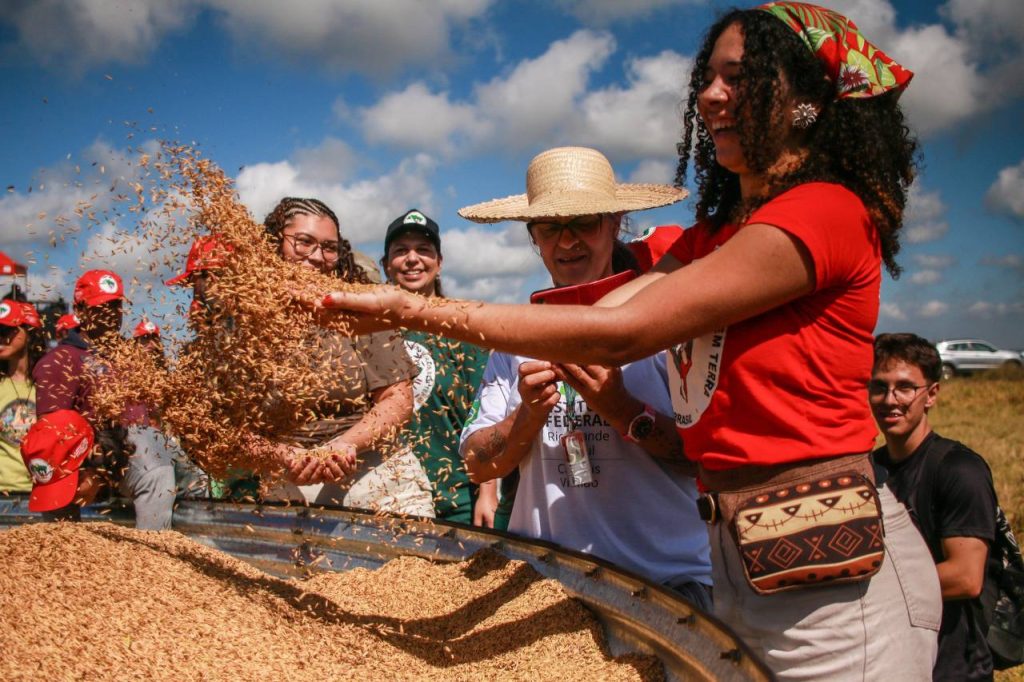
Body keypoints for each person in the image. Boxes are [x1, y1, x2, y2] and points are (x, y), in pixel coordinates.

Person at [318, 3, 942, 678]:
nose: (708, 94)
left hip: (833, 579)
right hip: (743, 558)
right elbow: (604, 312)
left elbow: (620, 331)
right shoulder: (716, 235)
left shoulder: (823, 210)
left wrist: (409, 311)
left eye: (740, 76)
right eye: (708, 77)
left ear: (805, 98)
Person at [454, 148, 713, 603]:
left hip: (666, 582)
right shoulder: (517, 339)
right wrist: (526, 419)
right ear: (534, 237)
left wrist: (625, 411)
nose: (567, 241)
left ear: (616, 223)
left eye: (584, 223)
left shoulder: (670, 323)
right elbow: (477, 464)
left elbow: (708, 460)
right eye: (551, 228)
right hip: (545, 579)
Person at [261, 197, 431, 516]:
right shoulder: (245, 320)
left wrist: (345, 445)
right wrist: (281, 455)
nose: (316, 257)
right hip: (280, 473)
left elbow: (397, 398)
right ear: (274, 243)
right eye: (303, 242)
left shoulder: (358, 310)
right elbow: (224, 427)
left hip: (368, 466)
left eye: (329, 247)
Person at [871, 333, 998, 681]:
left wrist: (867, 592)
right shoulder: (869, 469)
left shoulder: (959, 469)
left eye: (905, 387)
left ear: (932, 394)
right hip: (893, 659)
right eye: (879, 387)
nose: (890, 399)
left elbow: (966, 577)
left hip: (952, 667)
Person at [32, 270, 176, 529]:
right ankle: (61, 548)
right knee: (53, 459)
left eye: (115, 306)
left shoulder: (132, 360)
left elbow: (145, 424)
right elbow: (52, 434)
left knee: (154, 449)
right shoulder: (62, 360)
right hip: (81, 458)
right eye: (100, 307)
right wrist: (93, 468)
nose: (110, 315)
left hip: (128, 455)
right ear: (81, 310)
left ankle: (154, 556)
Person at [380, 209, 492, 525]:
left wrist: (488, 489)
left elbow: (487, 410)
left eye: (423, 250)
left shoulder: (464, 328)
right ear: (386, 265)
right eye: (401, 251)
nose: (412, 259)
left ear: (439, 263)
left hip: (459, 498)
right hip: (392, 496)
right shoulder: (371, 332)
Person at [0, 300, 44, 495]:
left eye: (8, 331)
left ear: (29, 332)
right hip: (2, 494)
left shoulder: (49, 385)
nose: (1, 338)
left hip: (41, 493)